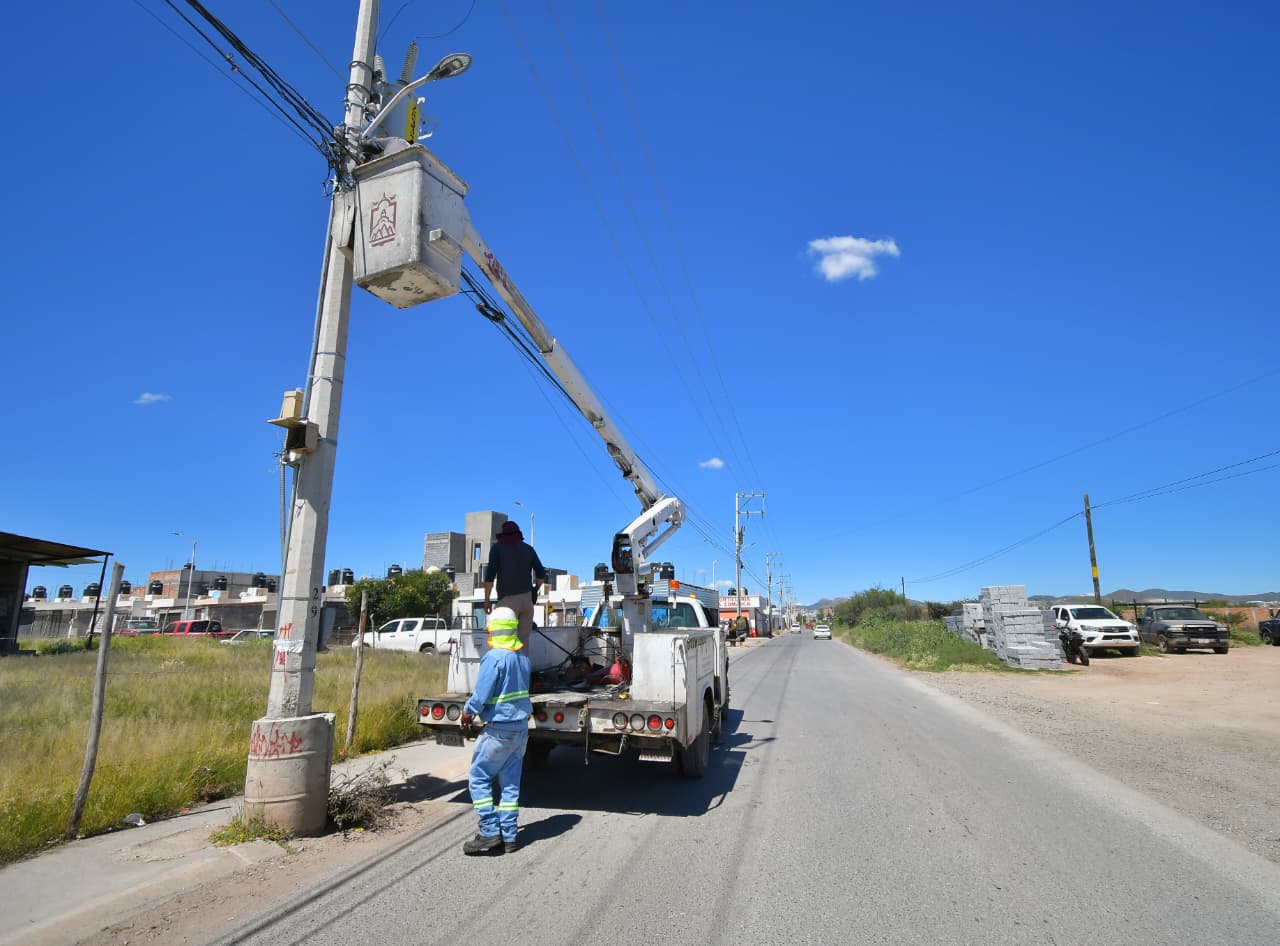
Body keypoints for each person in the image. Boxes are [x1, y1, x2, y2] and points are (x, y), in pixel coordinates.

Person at [460, 607, 532, 856]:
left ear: (492, 628)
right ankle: (510, 837)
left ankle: (490, 832)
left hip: (499, 730)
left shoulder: (494, 658)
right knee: (510, 785)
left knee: (479, 778)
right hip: (520, 729)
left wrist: (468, 712)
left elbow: (482, 694)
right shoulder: (522, 656)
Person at [483, 520, 547, 647]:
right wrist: (535, 589)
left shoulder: (497, 548)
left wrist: (487, 600)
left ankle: (505, 666)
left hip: (507, 601)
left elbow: (489, 577)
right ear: (518, 534)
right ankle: (523, 666)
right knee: (523, 643)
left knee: (503, 642)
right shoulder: (529, 549)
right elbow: (541, 574)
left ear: (502, 535)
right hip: (527, 601)